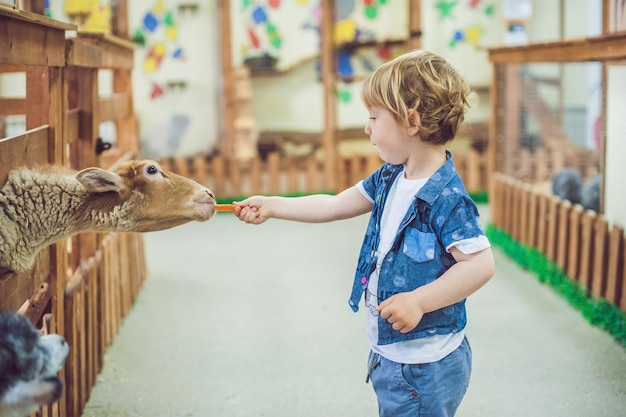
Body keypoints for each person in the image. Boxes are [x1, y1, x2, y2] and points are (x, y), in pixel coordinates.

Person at [233, 50, 495, 417]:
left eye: (373, 118)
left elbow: (480, 265)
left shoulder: (447, 198)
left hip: (423, 366)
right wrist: (275, 205)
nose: (367, 128)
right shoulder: (391, 176)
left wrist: (420, 301)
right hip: (393, 355)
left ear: (411, 121)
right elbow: (336, 204)